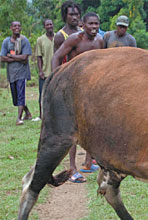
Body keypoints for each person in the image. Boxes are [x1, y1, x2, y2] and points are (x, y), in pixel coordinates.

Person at [52, 12, 104, 183]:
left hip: (93, 89)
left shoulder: (100, 41)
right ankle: (72, 168)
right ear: (83, 24)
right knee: (74, 129)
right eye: (91, 24)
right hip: (74, 88)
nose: (94, 27)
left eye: (96, 24)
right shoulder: (75, 39)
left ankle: (89, 162)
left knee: (92, 125)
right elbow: (57, 56)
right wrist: (55, 78)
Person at [1, 21, 33, 126]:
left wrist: (11, 56)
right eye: (15, 26)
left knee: (20, 94)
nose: (17, 27)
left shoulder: (24, 41)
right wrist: (17, 58)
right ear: (11, 28)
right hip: (11, 73)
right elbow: (2, 58)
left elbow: (25, 58)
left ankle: (19, 118)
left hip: (22, 73)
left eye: (19, 26)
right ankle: (27, 112)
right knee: (15, 98)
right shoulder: (6, 42)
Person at [34, 18, 55, 120]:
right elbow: (38, 56)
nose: (49, 26)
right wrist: (40, 70)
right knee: (42, 95)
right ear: (44, 27)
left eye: (51, 24)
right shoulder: (40, 40)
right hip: (45, 71)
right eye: (47, 25)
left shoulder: (58, 37)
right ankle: (41, 115)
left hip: (56, 71)